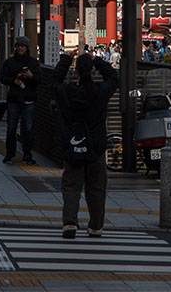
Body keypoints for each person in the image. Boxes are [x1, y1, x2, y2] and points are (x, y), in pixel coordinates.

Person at [51, 49, 118, 239]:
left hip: (72, 145)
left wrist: (66, 58)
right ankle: (96, 226)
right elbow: (114, 77)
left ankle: (70, 222)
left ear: (75, 72)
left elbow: (54, 81)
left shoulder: (66, 92)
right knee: (96, 187)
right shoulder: (101, 91)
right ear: (93, 72)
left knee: (72, 185)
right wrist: (97, 59)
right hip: (96, 146)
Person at [0, 36, 41, 164]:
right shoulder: (9, 62)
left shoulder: (33, 63)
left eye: (23, 46)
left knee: (28, 128)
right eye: (18, 46)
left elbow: (39, 80)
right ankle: (10, 154)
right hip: (14, 99)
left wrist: (30, 76)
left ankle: (27, 155)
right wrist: (14, 80)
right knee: (11, 128)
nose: (20, 48)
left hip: (29, 99)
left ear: (27, 48)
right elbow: (2, 78)